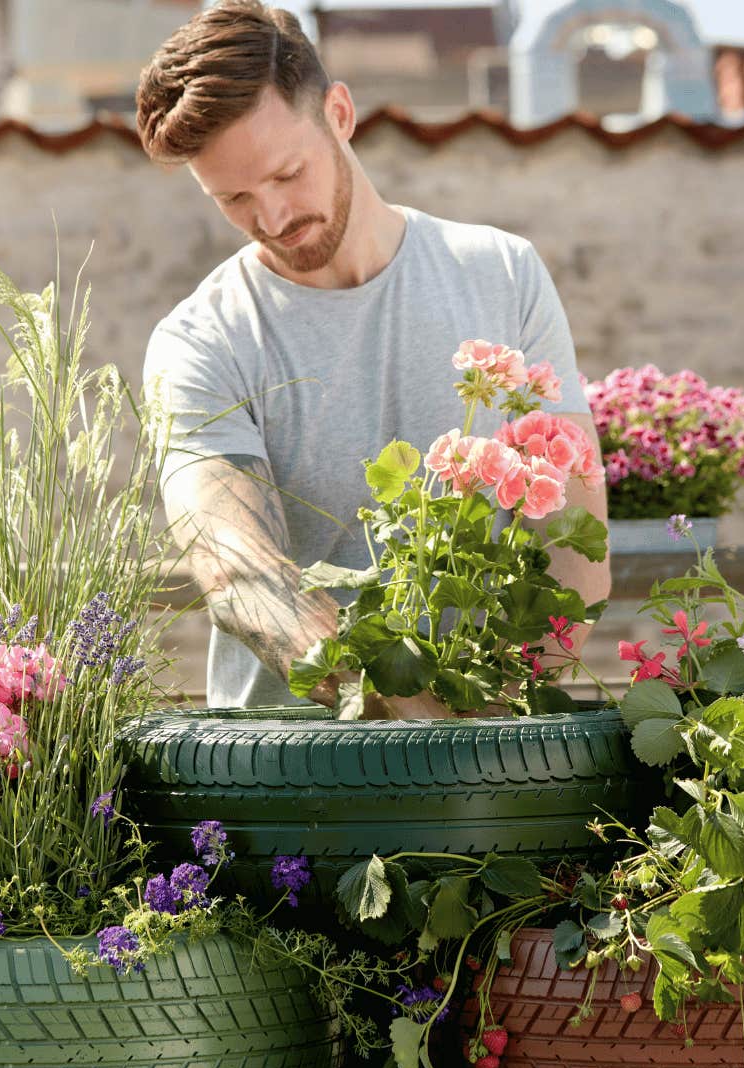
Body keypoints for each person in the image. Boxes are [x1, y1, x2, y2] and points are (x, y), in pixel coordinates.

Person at [136, 0, 609, 714]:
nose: (272, 218)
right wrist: (409, 721)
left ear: (340, 113)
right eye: (232, 197)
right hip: (287, 785)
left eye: (288, 173)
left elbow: (576, 544)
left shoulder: (503, 274)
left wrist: (503, 719)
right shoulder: (200, 339)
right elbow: (235, 566)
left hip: (491, 768)